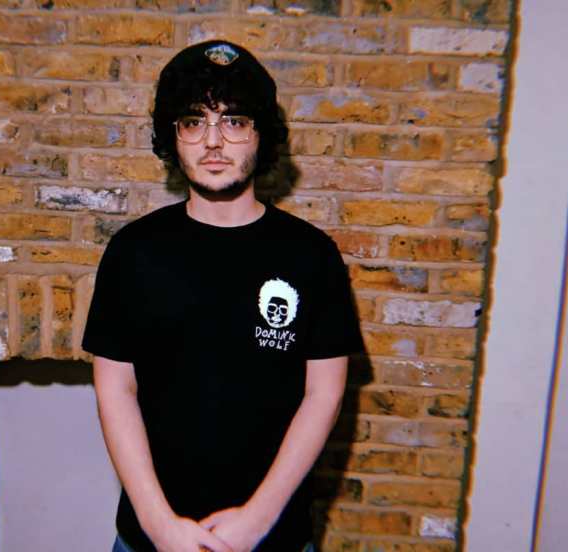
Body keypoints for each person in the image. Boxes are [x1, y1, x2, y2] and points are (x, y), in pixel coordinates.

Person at [82, 40, 363, 552]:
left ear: (261, 133)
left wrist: (257, 520)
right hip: (151, 538)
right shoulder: (134, 252)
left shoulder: (310, 255)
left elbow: (324, 393)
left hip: (274, 540)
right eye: (194, 121)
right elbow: (114, 389)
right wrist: (158, 524)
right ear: (174, 135)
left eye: (234, 121)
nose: (213, 141)